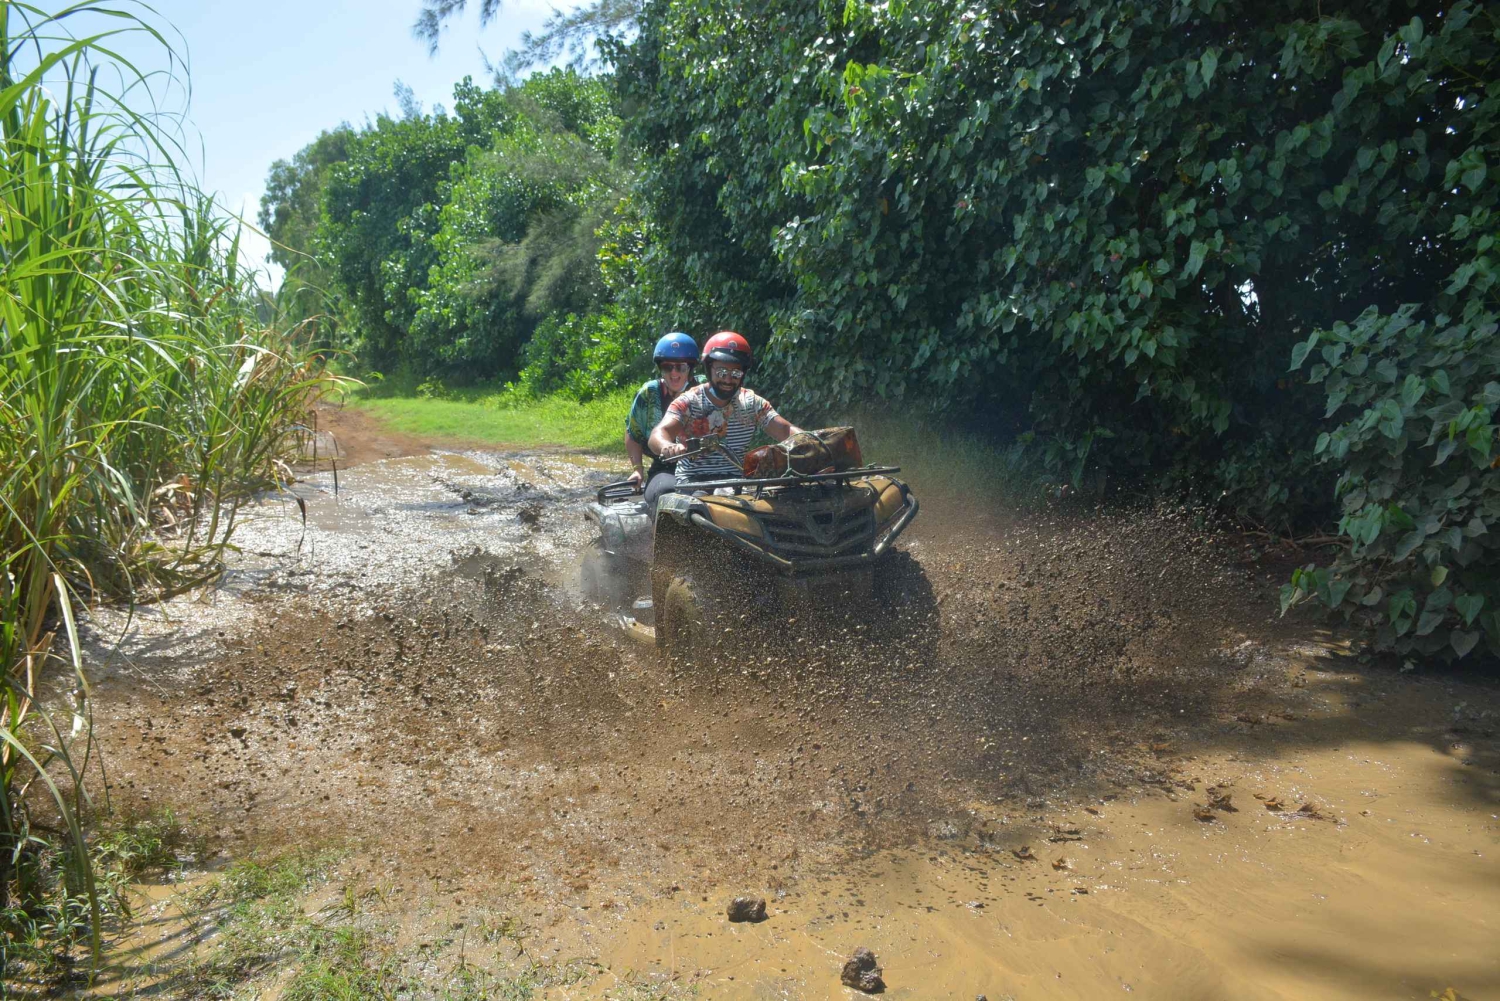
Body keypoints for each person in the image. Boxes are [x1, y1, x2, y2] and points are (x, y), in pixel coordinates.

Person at [645, 331, 804, 508]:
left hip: (736, 484)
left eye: (736, 373)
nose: (728, 379)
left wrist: (815, 443)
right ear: (708, 368)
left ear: (743, 374)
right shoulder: (689, 401)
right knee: (700, 510)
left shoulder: (752, 403)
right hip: (693, 484)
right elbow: (658, 434)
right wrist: (667, 446)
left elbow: (786, 431)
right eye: (721, 372)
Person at [624, 332, 700, 488]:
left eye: (681, 367)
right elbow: (633, 432)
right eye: (667, 367)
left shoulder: (704, 390)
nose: (674, 373)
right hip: (664, 466)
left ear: (690, 369)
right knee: (665, 492)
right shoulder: (649, 392)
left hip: (705, 466)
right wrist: (637, 469)